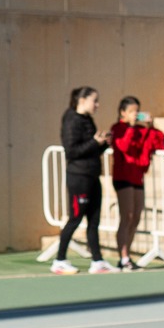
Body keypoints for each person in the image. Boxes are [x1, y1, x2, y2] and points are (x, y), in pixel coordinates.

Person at [53, 87, 116, 275]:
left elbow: (90, 150)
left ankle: (97, 261)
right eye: (94, 100)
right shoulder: (71, 118)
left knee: (94, 219)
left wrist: (103, 144)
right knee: (75, 217)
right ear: (82, 100)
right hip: (78, 177)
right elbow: (71, 151)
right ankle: (60, 260)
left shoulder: (88, 119)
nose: (97, 105)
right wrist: (94, 143)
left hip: (92, 175)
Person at [108, 96, 164, 270]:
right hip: (123, 176)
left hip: (137, 177)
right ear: (123, 113)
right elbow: (123, 147)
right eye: (132, 111)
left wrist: (151, 125)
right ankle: (123, 256)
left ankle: (127, 254)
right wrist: (131, 128)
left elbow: (158, 142)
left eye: (137, 111)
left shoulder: (141, 130)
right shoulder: (117, 128)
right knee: (126, 216)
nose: (135, 115)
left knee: (136, 217)